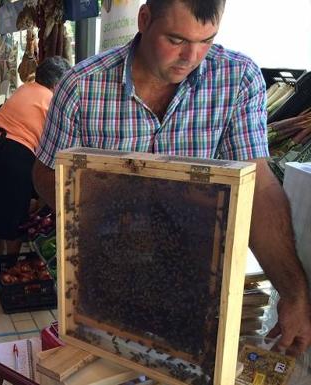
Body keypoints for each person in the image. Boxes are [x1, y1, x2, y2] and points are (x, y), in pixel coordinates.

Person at [32, 0, 311, 356]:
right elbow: (45, 174)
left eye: (207, 40)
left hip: (196, 285)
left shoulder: (238, 79)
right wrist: (94, 211)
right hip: (104, 281)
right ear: (145, 19)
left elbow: (258, 188)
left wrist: (293, 293)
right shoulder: (81, 85)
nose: (191, 57)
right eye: (176, 39)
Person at [0, 57, 71, 255]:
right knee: (14, 219)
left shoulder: (25, 88)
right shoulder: (54, 100)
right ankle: (8, 267)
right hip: (13, 155)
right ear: (58, 84)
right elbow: (55, 151)